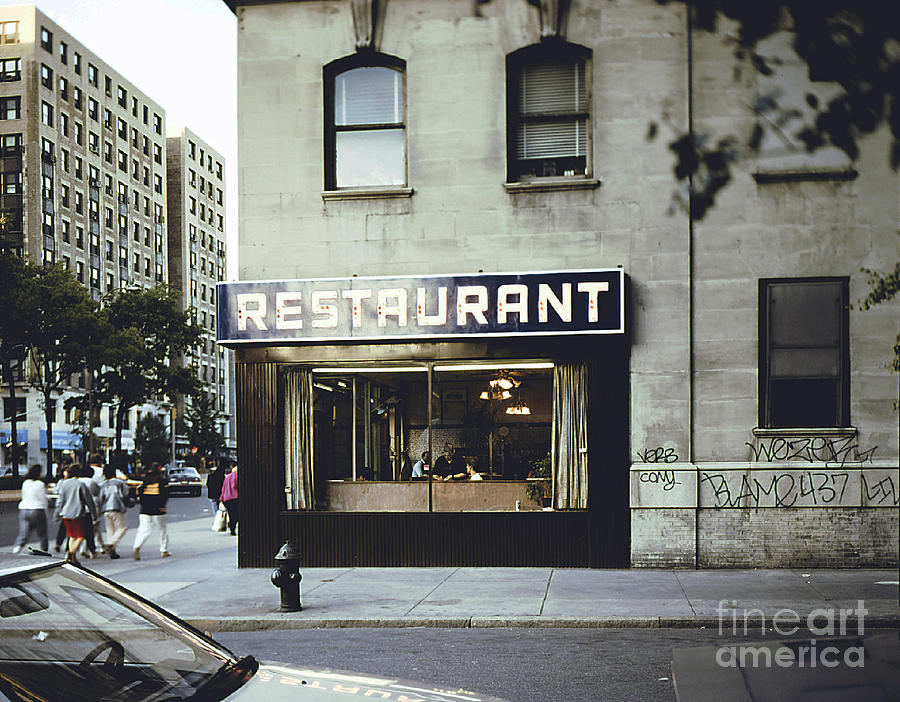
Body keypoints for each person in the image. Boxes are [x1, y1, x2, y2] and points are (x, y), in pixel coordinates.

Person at [54, 462, 98, 564]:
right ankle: (72, 553)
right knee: (80, 536)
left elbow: (60, 501)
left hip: (65, 514)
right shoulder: (80, 485)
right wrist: (94, 514)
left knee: (72, 535)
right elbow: (89, 501)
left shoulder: (63, 484)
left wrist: (57, 514)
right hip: (78, 514)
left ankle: (73, 557)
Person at [133, 462, 170, 560]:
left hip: (145, 509)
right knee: (162, 530)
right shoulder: (162, 481)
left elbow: (140, 492)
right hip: (158, 509)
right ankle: (164, 550)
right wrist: (162, 506)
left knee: (144, 530)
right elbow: (164, 494)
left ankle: (137, 546)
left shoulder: (145, 480)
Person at [13, 464, 49, 554]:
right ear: (39, 473)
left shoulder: (26, 483)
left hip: (24, 509)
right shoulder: (40, 484)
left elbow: (23, 496)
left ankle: (16, 549)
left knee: (23, 532)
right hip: (37, 509)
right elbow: (43, 500)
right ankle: (44, 549)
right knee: (42, 532)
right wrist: (46, 513)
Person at [99, 464, 129, 559]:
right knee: (122, 528)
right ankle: (111, 544)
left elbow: (100, 498)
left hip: (105, 509)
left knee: (110, 530)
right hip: (117, 507)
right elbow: (125, 494)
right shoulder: (119, 483)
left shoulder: (102, 484)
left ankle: (113, 551)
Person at [220, 464, 239, 536]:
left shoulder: (227, 477)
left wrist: (221, 498)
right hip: (235, 498)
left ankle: (232, 527)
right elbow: (235, 485)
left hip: (226, 499)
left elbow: (223, 488)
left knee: (231, 514)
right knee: (236, 514)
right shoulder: (236, 476)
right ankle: (232, 527)